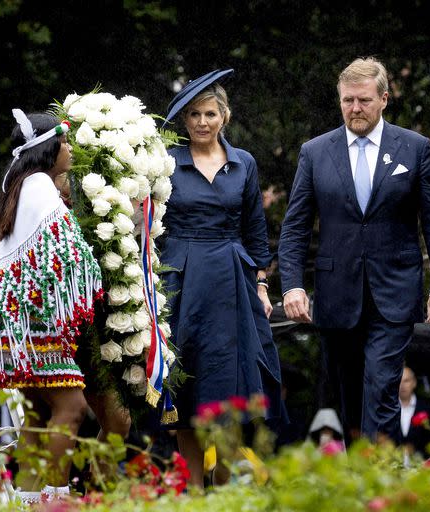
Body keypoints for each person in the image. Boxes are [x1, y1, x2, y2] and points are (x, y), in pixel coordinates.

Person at [278, 57, 430, 444]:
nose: (354, 109)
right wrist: (291, 286)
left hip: (394, 291)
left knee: (381, 388)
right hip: (336, 294)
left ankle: (384, 483)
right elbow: (294, 227)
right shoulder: (315, 152)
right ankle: (361, 488)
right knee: (350, 399)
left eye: (363, 101)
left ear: (384, 99)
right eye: (347, 101)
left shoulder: (414, 148)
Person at [160, 69, 285, 489]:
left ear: (224, 116)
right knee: (187, 379)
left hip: (232, 280)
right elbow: (151, 227)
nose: (201, 122)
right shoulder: (165, 161)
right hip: (181, 279)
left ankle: (226, 477)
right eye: (193, 114)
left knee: (230, 378)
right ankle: (193, 487)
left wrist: (262, 284)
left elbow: (255, 228)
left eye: (209, 113)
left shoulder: (244, 162)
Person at [0, 110, 103, 504]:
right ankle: (55, 499)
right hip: (32, 321)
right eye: (64, 142)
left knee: (37, 416)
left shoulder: (20, 184)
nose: (69, 148)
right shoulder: (41, 185)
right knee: (73, 408)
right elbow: (71, 255)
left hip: (9, 321)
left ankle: (27, 499)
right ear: (47, 149)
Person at [398, 366, 430, 456]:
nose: (402, 385)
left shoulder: (427, 409)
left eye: (406, 381)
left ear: (414, 383)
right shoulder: (387, 410)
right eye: (398, 381)